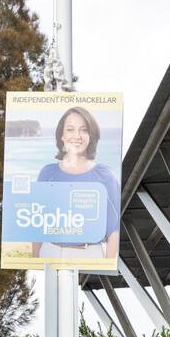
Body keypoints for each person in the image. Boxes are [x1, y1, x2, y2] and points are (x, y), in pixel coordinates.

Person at [35, 106, 120, 263]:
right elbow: (37, 225)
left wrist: (107, 266)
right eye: (70, 130)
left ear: (91, 135)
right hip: (49, 252)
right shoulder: (47, 173)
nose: (77, 136)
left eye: (84, 130)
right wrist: (34, 260)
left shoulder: (105, 176)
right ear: (62, 135)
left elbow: (113, 231)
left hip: (89, 255)